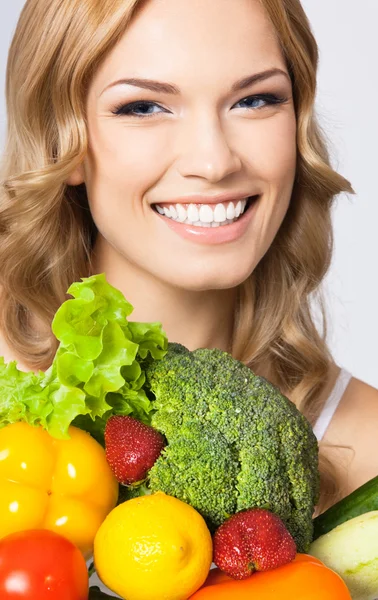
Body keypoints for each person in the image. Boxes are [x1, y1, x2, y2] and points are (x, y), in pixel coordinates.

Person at [0, 0, 377, 520]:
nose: (213, 161)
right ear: (62, 139)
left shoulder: (367, 450)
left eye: (255, 99)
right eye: (143, 108)